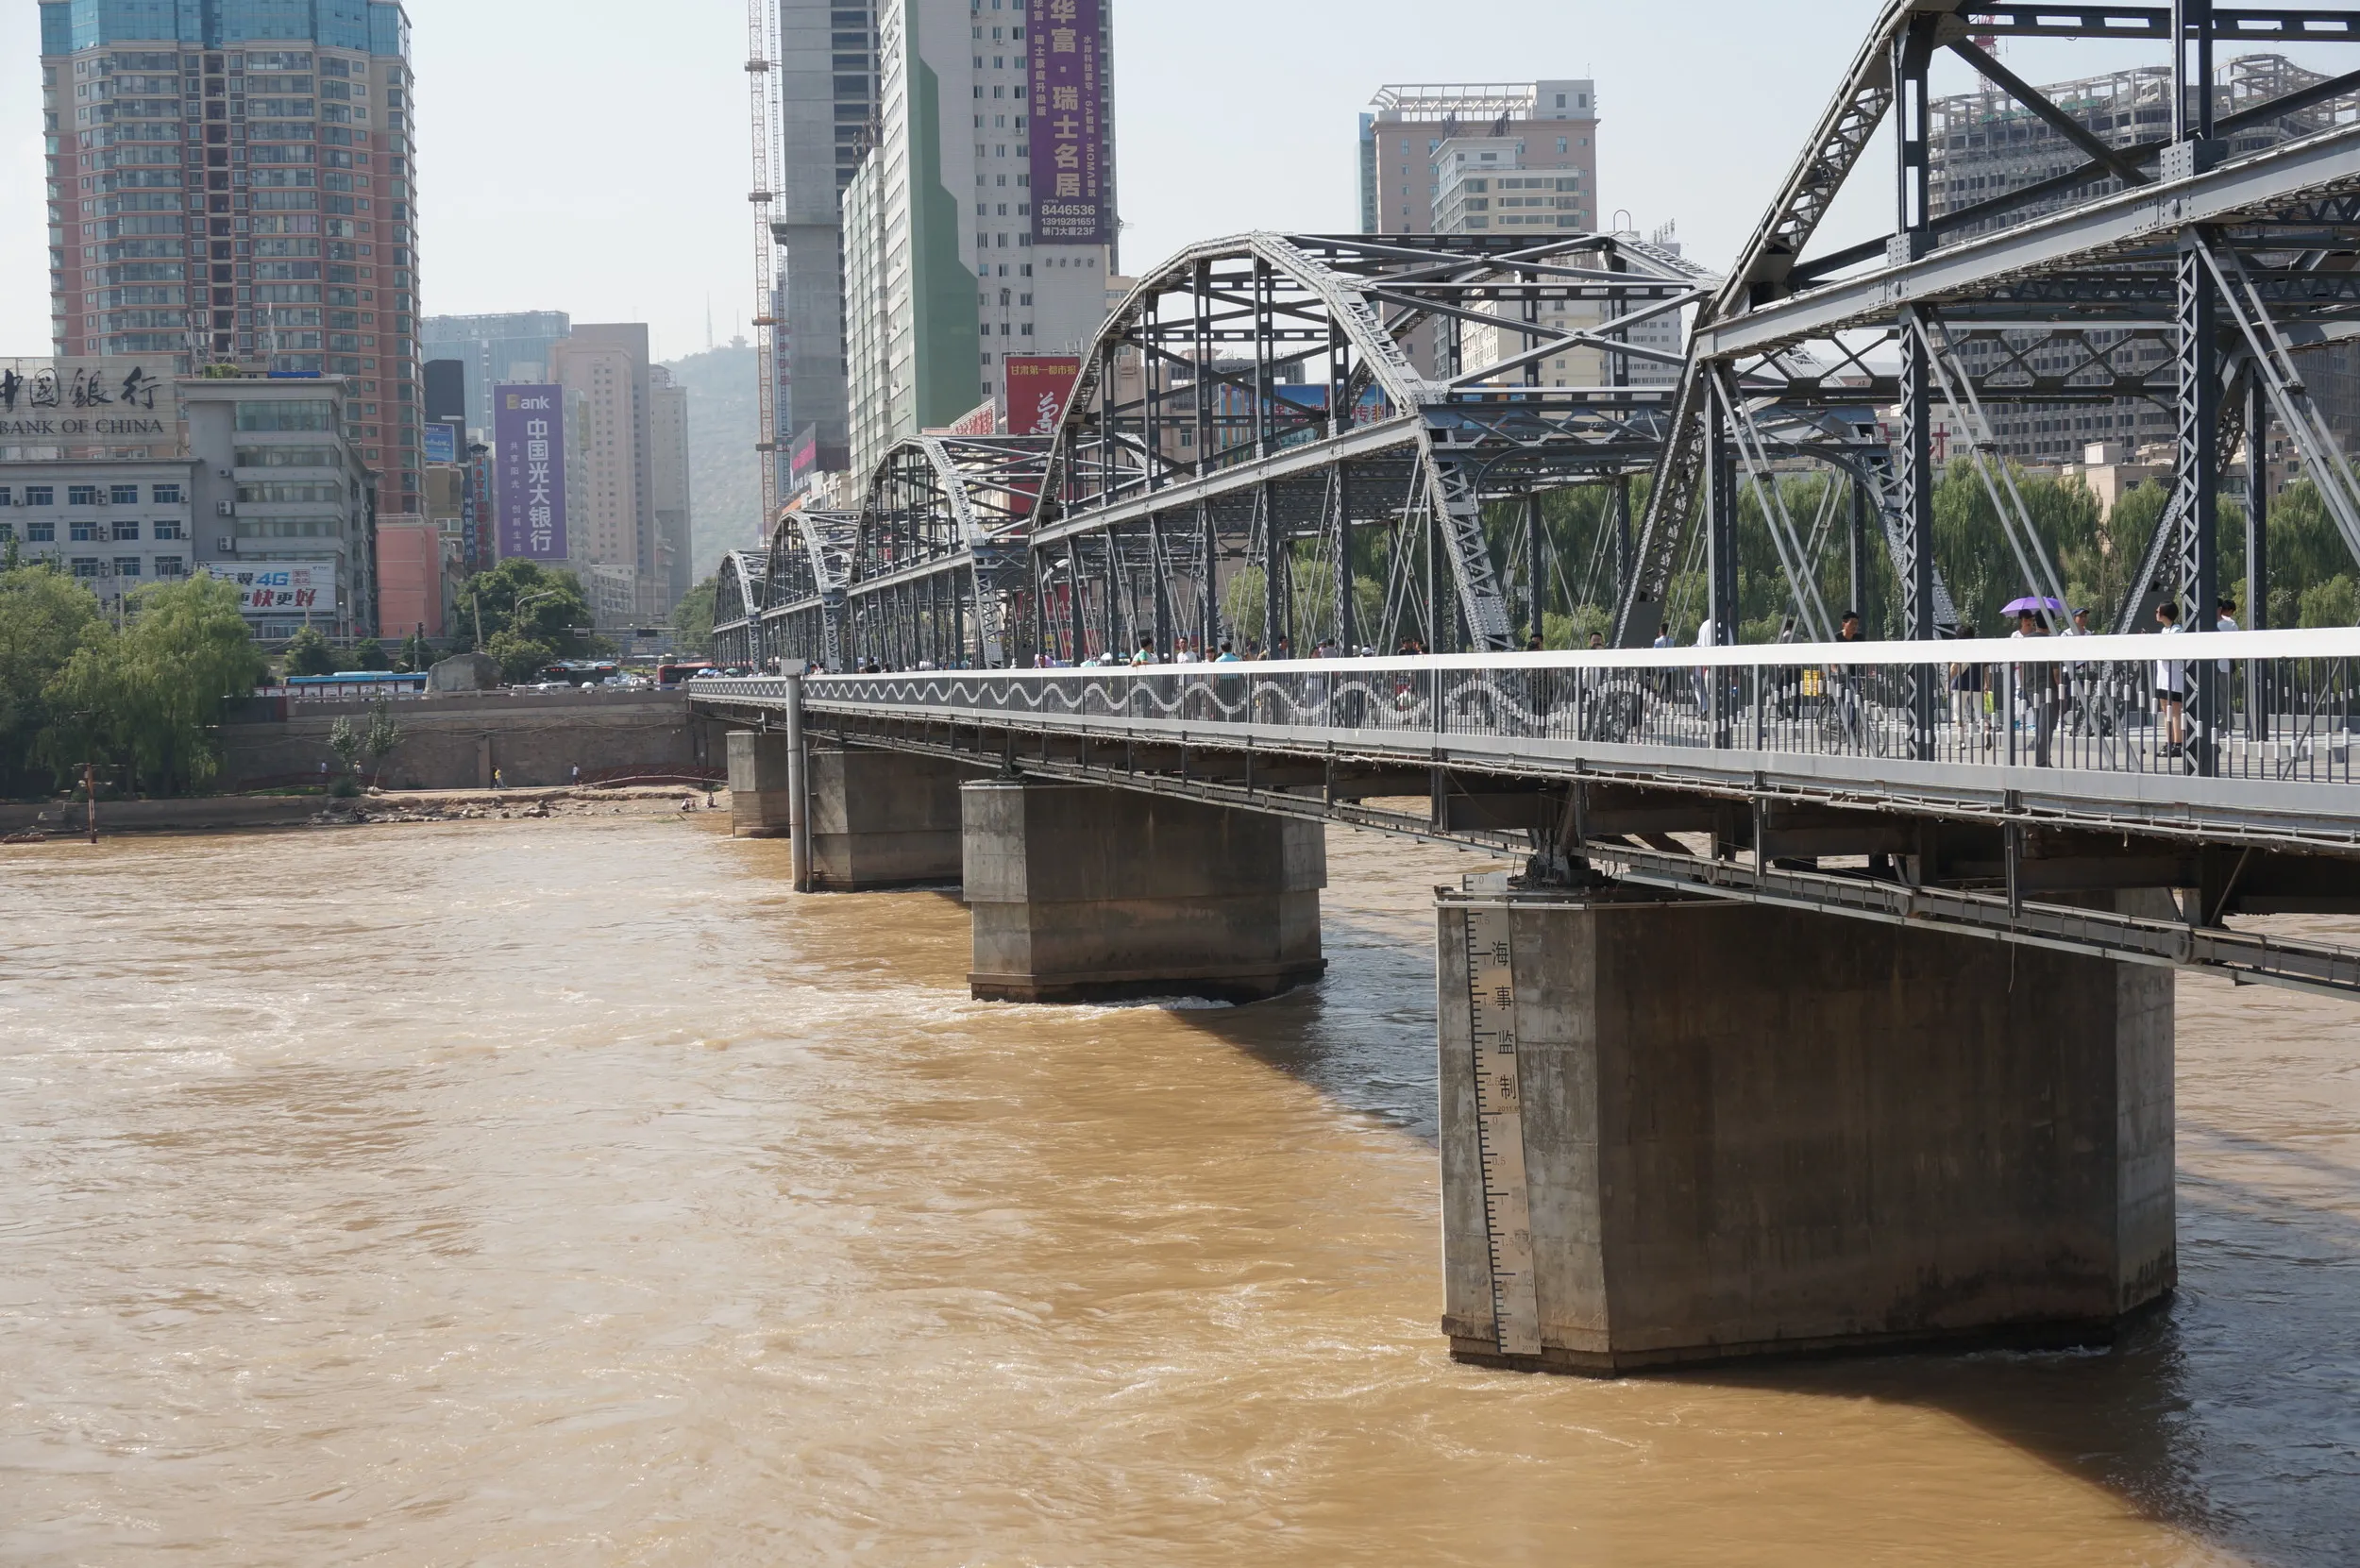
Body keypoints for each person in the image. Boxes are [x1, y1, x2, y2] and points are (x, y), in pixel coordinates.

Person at [2154, 599, 2187, 757]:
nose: (2156, 613)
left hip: (2174, 677)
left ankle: (2178, 743)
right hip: (2162, 676)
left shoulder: (2177, 631)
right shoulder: (2164, 631)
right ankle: (2169, 741)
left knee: (2174, 711)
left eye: (2158, 611)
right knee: (2165, 710)